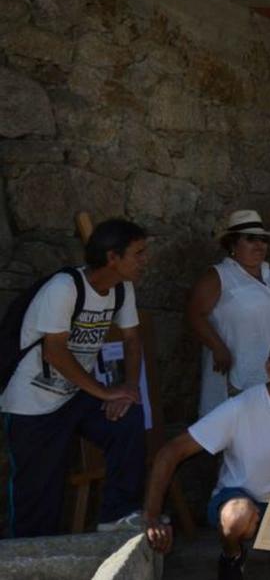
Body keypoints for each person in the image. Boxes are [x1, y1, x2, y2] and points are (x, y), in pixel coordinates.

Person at [142, 339, 270, 580]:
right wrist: (151, 516)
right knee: (237, 516)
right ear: (269, 369)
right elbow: (171, 451)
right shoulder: (241, 407)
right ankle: (232, 556)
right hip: (242, 496)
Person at [1, 220, 147, 538]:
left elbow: (132, 340)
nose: (143, 261)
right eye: (137, 253)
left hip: (74, 395)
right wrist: (105, 392)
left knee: (128, 419)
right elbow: (55, 352)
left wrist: (128, 389)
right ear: (112, 257)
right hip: (32, 404)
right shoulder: (64, 288)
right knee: (38, 502)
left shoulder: (122, 289)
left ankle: (117, 517)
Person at [188, 210, 270, 415]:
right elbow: (195, 314)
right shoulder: (219, 276)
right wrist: (218, 347)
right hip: (240, 371)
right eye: (250, 239)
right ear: (233, 244)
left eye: (263, 240)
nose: (259, 245)